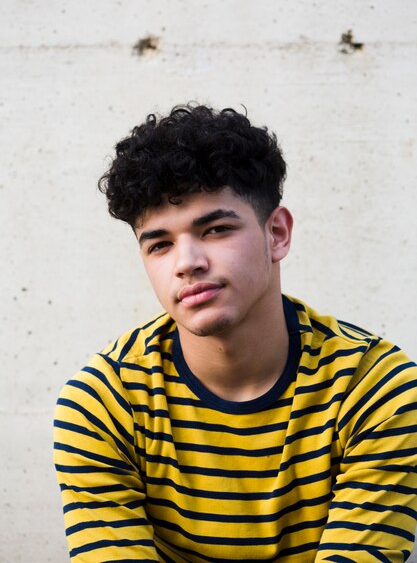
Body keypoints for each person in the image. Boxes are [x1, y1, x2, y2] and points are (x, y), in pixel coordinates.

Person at [54, 104, 417, 562]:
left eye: (216, 229)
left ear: (277, 233)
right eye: (160, 244)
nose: (186, 262)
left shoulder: (377, 389)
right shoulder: (103, 403)